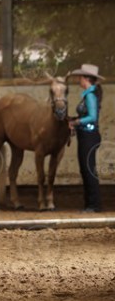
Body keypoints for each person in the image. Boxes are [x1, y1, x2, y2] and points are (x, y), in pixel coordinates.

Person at [68, 64, 104, 213]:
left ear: (86, 78)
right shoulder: (89, 94)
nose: (79, 79)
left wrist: (76, 122)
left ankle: (93, 205)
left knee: (88, 170)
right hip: (87, 136)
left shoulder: (90, 95)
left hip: (89, 136)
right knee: (86, 169)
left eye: (80, 77)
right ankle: (90, 204)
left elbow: (92, 117)